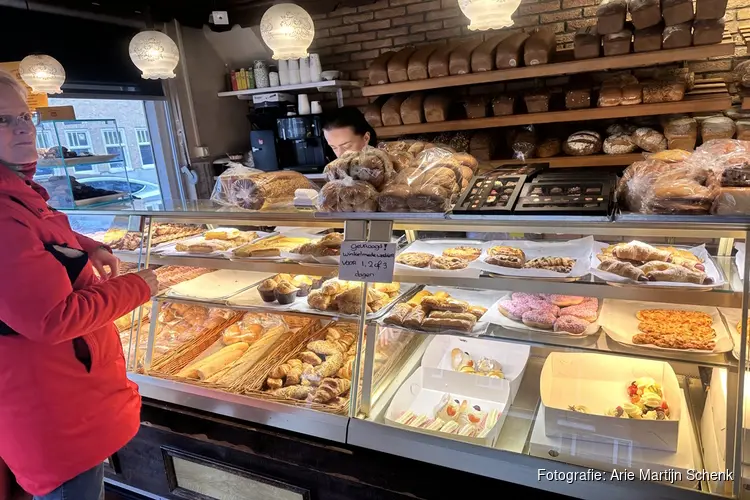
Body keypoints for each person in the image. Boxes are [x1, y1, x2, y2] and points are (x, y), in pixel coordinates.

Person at [0, 70, 158, 500]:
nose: (21, 128)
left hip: (65, 403)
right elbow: (50, 319)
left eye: (24, 116)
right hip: (53, 416)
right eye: (2, 120)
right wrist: (139, 285)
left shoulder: (17, 194)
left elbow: (35, 235)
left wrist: (87, 247)